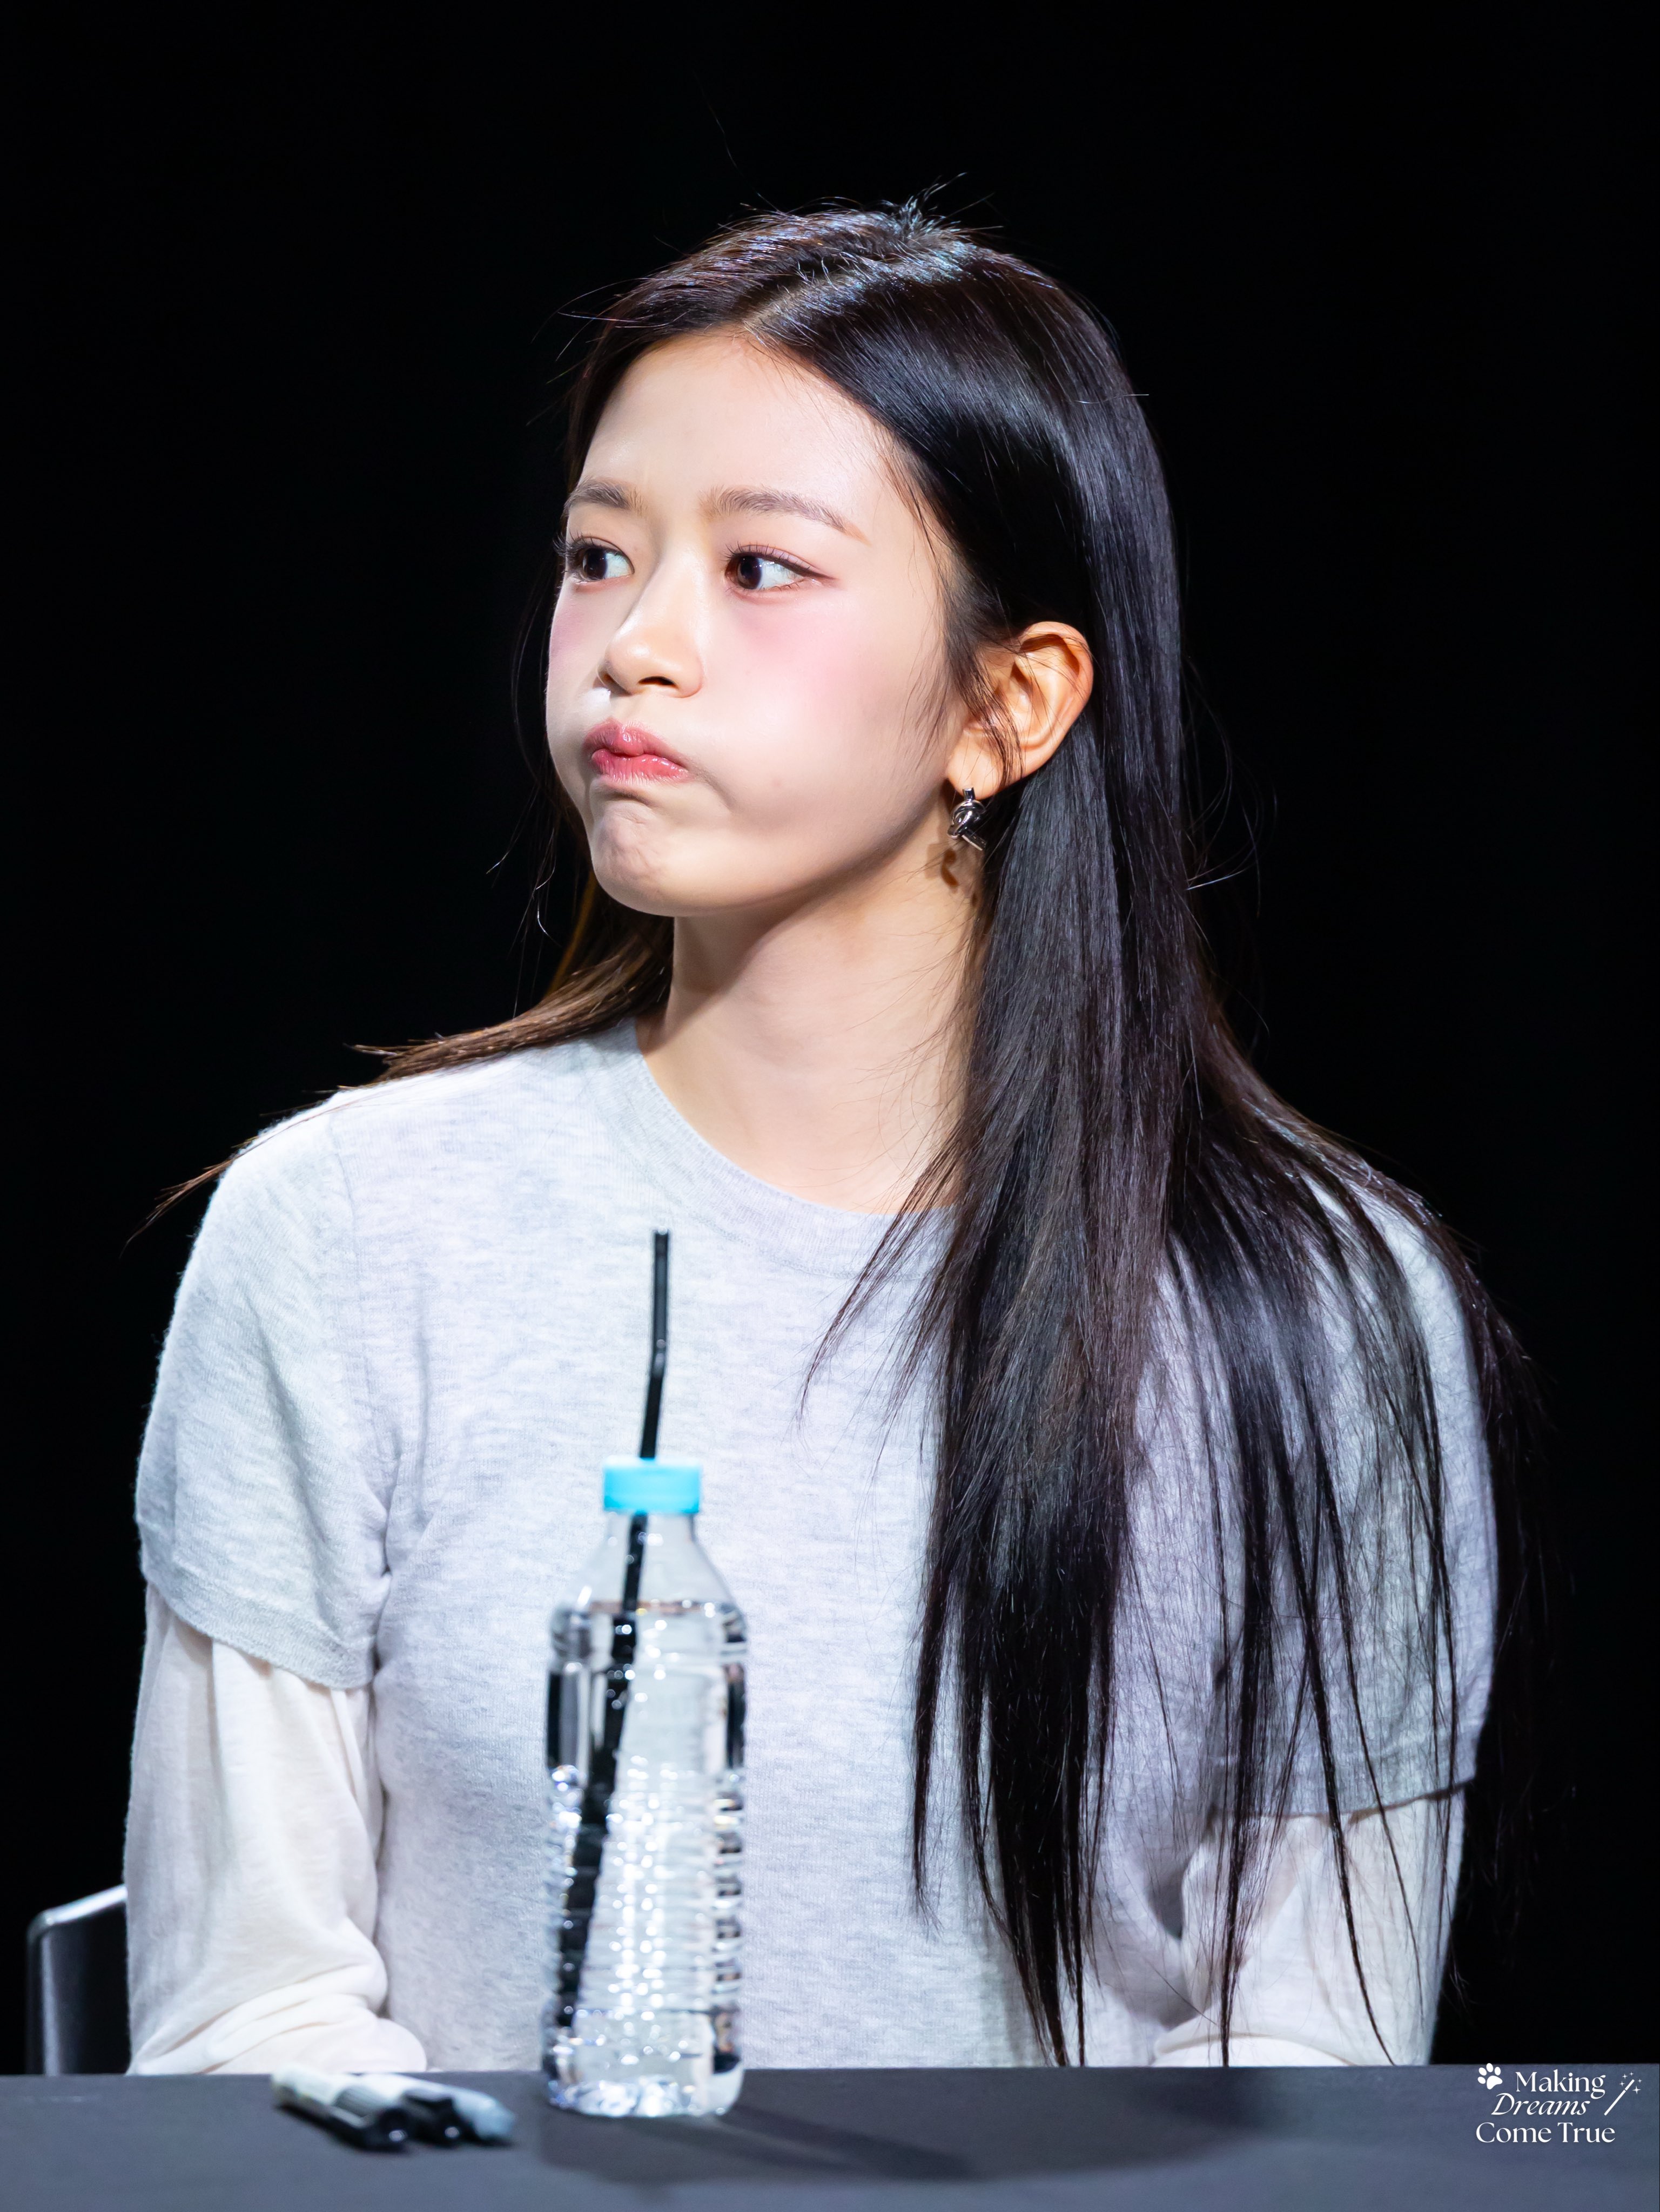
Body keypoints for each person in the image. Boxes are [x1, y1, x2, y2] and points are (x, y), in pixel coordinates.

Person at [125, 204, 1529, 2074]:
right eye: (599, 556)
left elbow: (1321, 2078)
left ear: (1006, 705)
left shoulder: (1319, 1308)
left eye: (760, 569)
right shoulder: (350, 1230)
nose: (637, 646)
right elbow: (249, 2023)